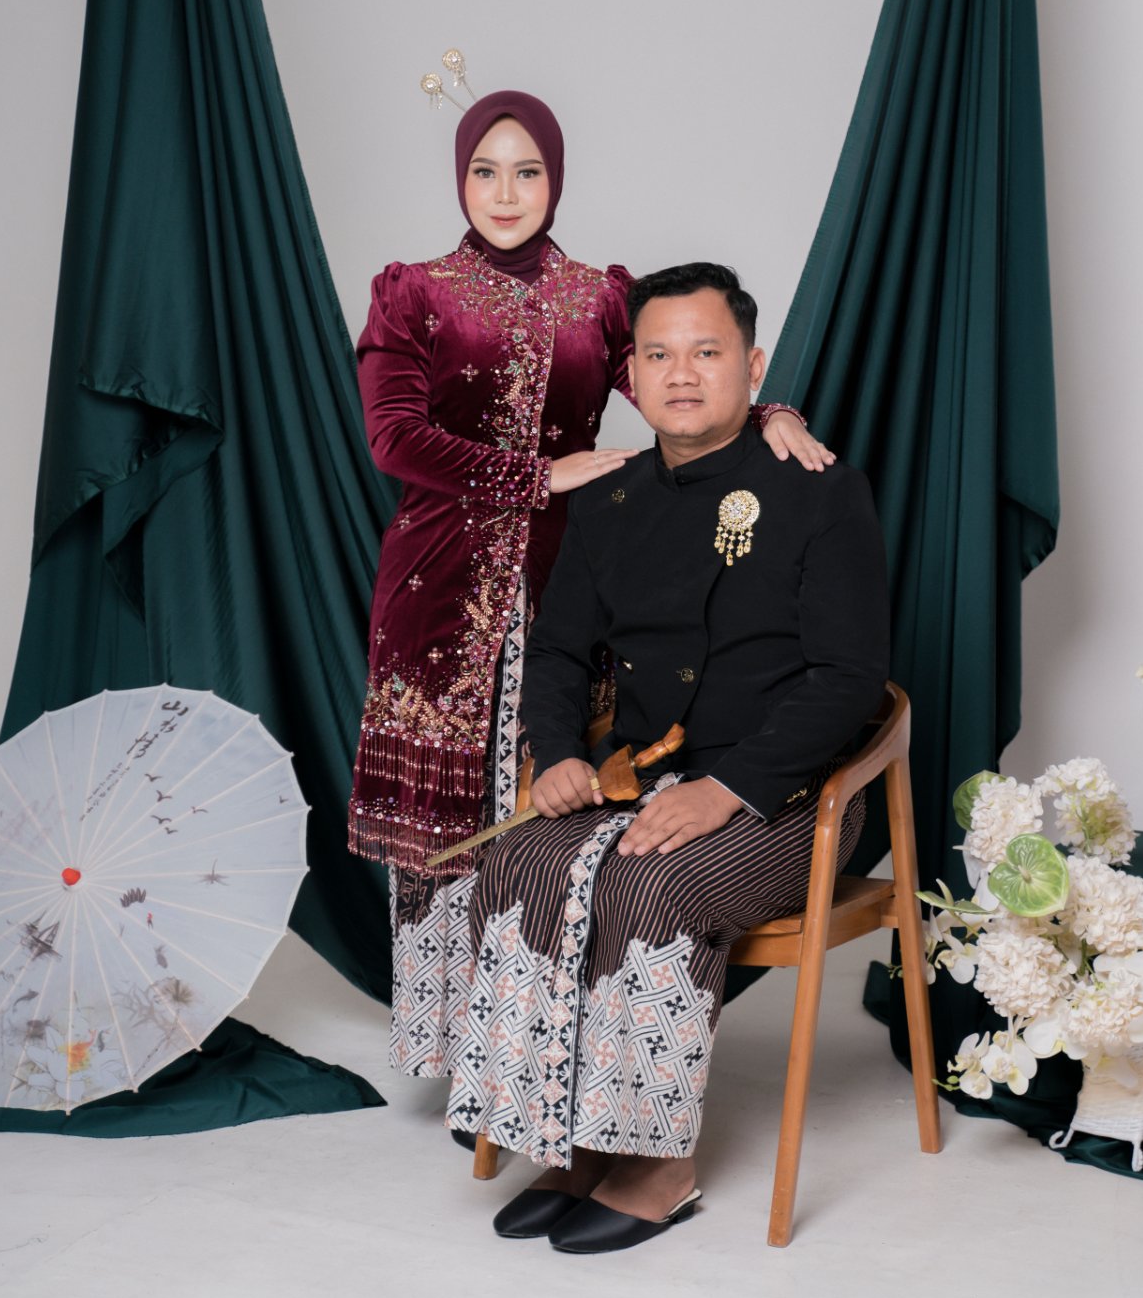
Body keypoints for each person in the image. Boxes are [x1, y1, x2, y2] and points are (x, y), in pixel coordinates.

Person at [346, 93, 831, 1084]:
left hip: (567, 580)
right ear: (458, 179)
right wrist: (539, 474)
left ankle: (547, 1041)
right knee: (452, 819)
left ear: (555, 179)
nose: (506, 193)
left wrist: (771, 410)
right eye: (485, 171)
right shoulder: (414, 293)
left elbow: (674, 379)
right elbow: (393, 438)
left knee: (559, 790)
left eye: (527, 171)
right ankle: (462, 1053)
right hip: (438, 588)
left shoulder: (596, 296)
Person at [445, 261, 890, 1251]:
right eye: (657, 355)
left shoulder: (819, 490)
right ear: (633, 375)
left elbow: (850, 678)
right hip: (637, 776)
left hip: (789, 792)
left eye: (705, 351)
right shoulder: (609, 500)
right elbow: (559, 653)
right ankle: (567, 1140)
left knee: (649, 886)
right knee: (515, 863)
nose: (680, 374)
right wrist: (554, 753)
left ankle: (656, 1165)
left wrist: (728, 790)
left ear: (752, 367)